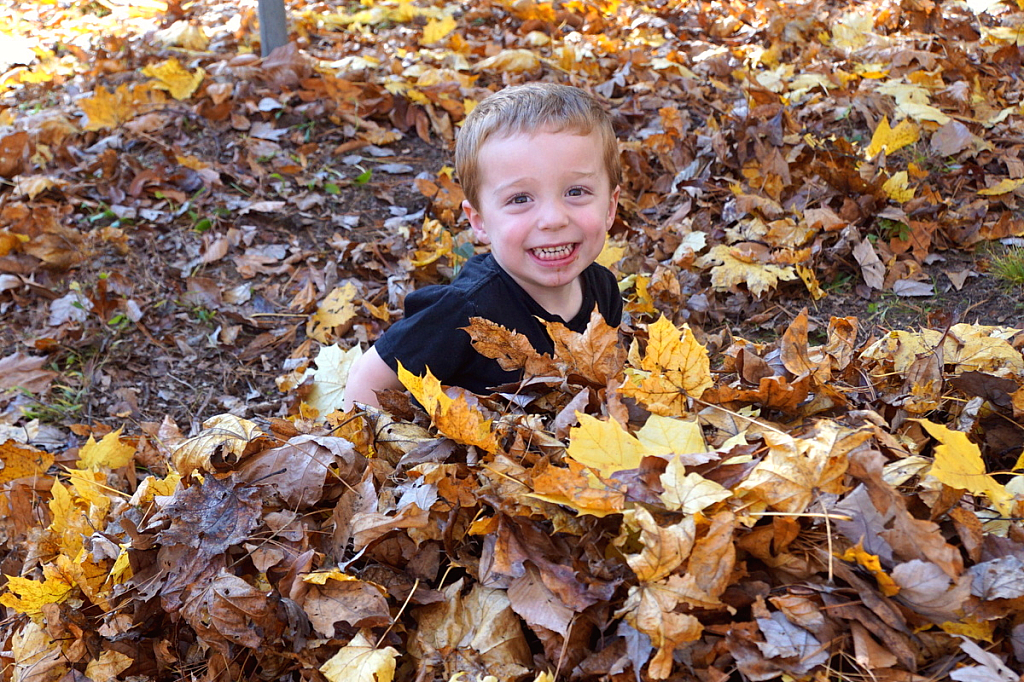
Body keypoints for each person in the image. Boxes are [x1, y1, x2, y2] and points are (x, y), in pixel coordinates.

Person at [341, 82, 623, 410]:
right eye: (520, 199)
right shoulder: (466, 311)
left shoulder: (603, 290)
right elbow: (367, 378)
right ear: (479, 222)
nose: (552, 219)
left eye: (576, 192)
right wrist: (366, 451)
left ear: (610, 207)